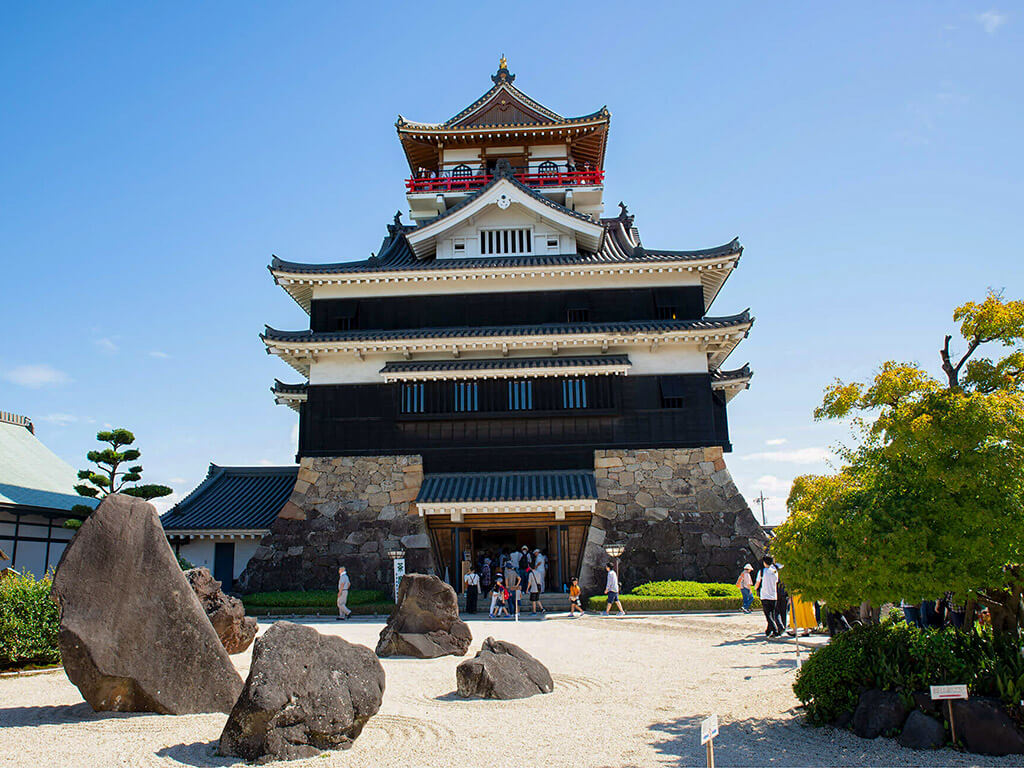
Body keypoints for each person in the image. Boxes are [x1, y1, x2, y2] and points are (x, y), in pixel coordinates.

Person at [754, 556, 784, 637]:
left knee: (768, 615)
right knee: (772, 613)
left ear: (764, 562)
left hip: (765, 595)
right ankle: (768, 631)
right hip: (773, 595)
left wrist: (755, 588)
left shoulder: (762, 571)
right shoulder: (775, 571)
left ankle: (774, 630)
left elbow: (757, 583)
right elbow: (776, 581)